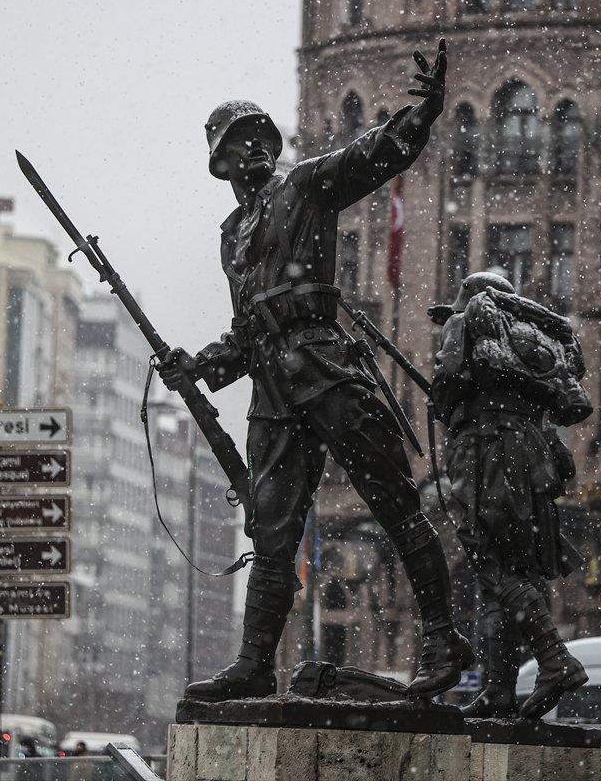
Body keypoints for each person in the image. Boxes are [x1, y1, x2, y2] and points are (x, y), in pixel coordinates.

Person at [159, 39, 471, 703]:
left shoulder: (304, 185)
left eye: (261, 136)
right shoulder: (230, 236)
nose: (254, 147)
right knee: (272, 532)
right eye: (239, 141)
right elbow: (247, 331)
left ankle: (443, 637)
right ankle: (255, 663)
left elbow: (371, 155)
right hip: (273, 388)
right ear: (220, 162)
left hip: (324, 366)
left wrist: (420, 116)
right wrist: (201, 364)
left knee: (394, 503)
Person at [429, 272, 593, 719]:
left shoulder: (466, 322)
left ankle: (555, 659)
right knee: (515, 571)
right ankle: (499, 689)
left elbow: (447, 383)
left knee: (491, 566)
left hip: (486, 454)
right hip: (530, 460)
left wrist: (444, 397)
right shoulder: (528, 345)